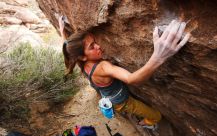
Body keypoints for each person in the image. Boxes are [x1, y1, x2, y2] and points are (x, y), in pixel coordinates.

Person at [59, 16, 190, 129]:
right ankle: (146, 123)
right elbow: (131, 79)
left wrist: (62, 29)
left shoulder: (80, 62)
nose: (98, 46)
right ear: (82, 56)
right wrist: (158, 57)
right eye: (92, 47)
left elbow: (67, 46)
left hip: (110, 97)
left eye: (95, 42)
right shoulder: (103, 67)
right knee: (156, 116)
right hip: (123, 102)